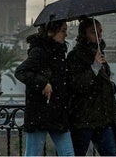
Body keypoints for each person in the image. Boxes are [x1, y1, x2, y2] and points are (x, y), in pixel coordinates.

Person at [15, 20, 74, 156]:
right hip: (40, 113)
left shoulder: (59, 52)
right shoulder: (39, 52)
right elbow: (21, 72)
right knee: (33, 153)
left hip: (56, 112)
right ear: (52, 32)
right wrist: (42, 83)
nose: (66, 34)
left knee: (68, 153)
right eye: (63, 30)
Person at [67, 17, 116, 156]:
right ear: (84, 35)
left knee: (111, 154)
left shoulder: (100, 54)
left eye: (100, 32)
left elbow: (103, 81)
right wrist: (95, 67)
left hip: (103, 118)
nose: (99, 36)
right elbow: (78, 85)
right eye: (93, 32)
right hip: (83, 120)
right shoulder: (74, 57)